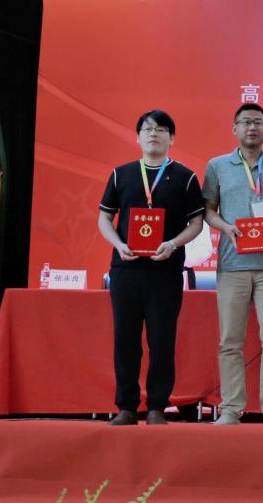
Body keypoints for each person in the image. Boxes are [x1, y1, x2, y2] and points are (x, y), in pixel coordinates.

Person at [97, 110, 205, 426]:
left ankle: (157, 405)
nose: (153, 134)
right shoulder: (121, 174)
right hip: (126, 269)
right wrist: (118, 244)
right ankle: (127, 406)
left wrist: (173, 244)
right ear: (137, 137)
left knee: (162, 340)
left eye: (160, 129)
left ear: (172, 138)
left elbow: (196, 223)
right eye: (147, 129)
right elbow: (104, 217)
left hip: (165, 270)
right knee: (125, 339)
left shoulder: (185, 177)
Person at [203, 102, 263, 426]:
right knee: (230, 342)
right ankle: (231, 408)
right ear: (234, 128)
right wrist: (226, 228)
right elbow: (208, 211)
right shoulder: (217, 166)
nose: (252, 127)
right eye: (245, 122)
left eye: (258, 122)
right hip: (232, 265)